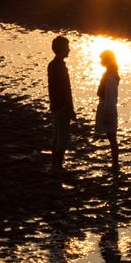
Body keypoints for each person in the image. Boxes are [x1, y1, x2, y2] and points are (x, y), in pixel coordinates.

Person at [46, 36, 77, 175]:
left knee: (57, 134)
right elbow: (66, 89)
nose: (69, 49)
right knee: (63, 136)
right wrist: (70, 109)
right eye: (66, 47)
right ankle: (57, 166)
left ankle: (54, 164)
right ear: (61, 49)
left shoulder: (52, 64)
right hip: (62, 107)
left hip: (55, 105)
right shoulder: (60, 67)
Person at [95, 49, 121, 173]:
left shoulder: (110, 75)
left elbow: (111, 97)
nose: (100, 62)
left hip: (108, 108)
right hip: (105, 107)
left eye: (102, 59)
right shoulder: (109, 73)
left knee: (112, 137)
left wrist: (107, 113)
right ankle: (114, 163)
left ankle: (115, 164)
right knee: (111, 137)